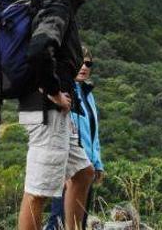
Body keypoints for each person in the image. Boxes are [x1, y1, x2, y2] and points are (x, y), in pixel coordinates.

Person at [18, 0, 96, 230]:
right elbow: (39, 49)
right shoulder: (58, 7)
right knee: (37, 191)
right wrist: (53, 92)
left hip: (52, 109)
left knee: (84, 173)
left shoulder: (57, 1)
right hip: (46, 109)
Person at [45, 47, 105, 230]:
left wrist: (98, 163)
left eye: (88, 63)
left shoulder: (89, 94)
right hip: (69, 167)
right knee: (59, 220)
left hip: (86, 167)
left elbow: (93, 132)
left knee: (79, 222)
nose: (84, 67)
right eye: (81, 62)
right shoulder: (65, 91)